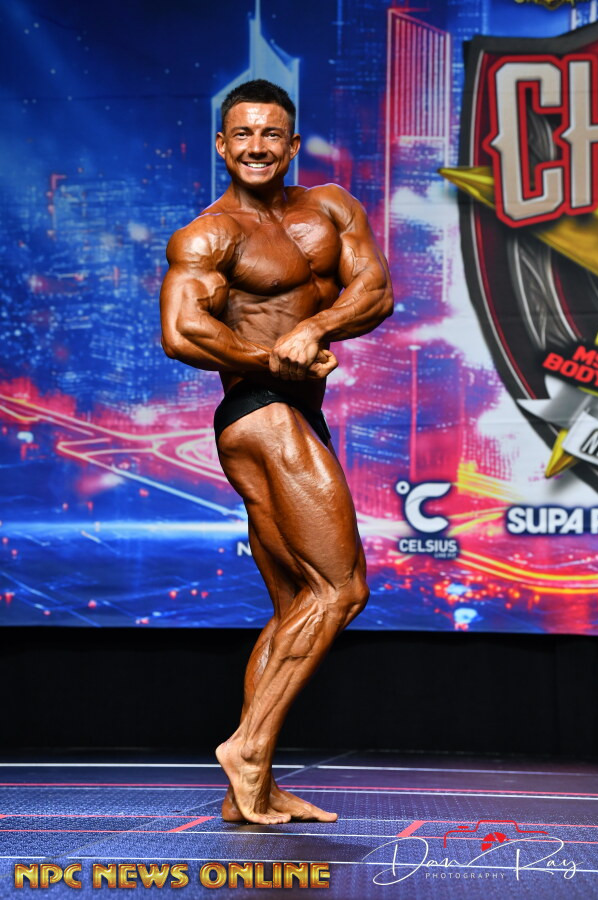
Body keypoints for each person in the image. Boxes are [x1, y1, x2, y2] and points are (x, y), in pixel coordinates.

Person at [160, 79, 393, 825]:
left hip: (299, 411)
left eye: (271, 134)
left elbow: (376, 292)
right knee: (341, 590)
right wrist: (274, 359)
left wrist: (313, 328)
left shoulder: (330, 207)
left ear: (291, 146)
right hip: (259, 412)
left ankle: (249, 791)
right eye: (243, 134)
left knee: (297, 603)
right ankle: (249, 748)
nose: (256, 146)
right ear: (222, 145)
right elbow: (182, 332)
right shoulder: (209, 235)